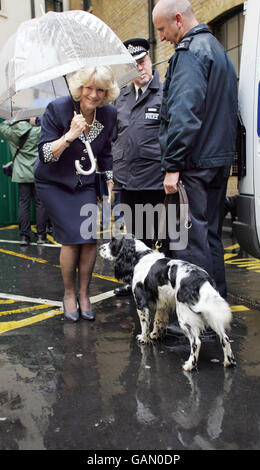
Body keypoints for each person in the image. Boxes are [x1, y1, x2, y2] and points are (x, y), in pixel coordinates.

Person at [152, 0, 238, 299]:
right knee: (210, 236)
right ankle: (216, 306)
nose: (162, 37)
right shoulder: (217, 50)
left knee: (190, 240)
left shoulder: (189, 54)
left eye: (162, 29)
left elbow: (184, 114)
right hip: (217, 159)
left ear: (178, 19)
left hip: (194, 163)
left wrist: (172, 165)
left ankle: (196, 312)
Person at [34, 66, 119, 322]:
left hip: (86, 181)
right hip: (54, 183)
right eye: (88, 88)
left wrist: (109, 185)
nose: (93, 95)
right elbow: (45, 155)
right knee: (72, 237)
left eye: (100, 90)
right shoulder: (57, 109)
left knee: (89, 237)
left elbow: (105, 153)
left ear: (107, 92)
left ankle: (84, 294)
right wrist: (71, 134)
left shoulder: (109, 114)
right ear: (79, 88)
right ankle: (69, 294)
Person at [112, 38, 165, 296]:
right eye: (133, 65)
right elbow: (112, 136)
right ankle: (134, 282)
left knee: (158, 236)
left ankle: (156, 284)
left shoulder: (165, 93)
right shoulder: (120, 99)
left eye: (142, 62)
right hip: (128, 181)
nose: (140, 68)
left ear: (150, 60)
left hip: (156, 181)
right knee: (134, 236)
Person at [0, 118, 48, 246]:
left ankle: (24, 237)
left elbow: (1, 126)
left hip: (21, 174)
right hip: (38, 173)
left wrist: (15, 119)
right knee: (40, 204)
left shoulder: (12, 131)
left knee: (24, 204)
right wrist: (37, 122)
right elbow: (49, 130)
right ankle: (41, 236)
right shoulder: (38, 131)